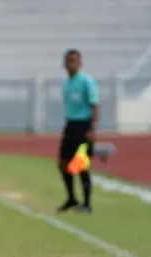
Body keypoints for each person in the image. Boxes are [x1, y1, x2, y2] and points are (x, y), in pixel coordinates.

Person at [58, 48, 99, 213]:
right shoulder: (66, 83)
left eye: (73, 61)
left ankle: (87, 204)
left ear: (79, 63)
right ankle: (71, 198)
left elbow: (94, 105)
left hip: (83, 127)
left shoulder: (86, 82)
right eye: (68, 61)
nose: (70, 64)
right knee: (63, 163)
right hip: (70, 126)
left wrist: (91, 128)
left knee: (81, 165)